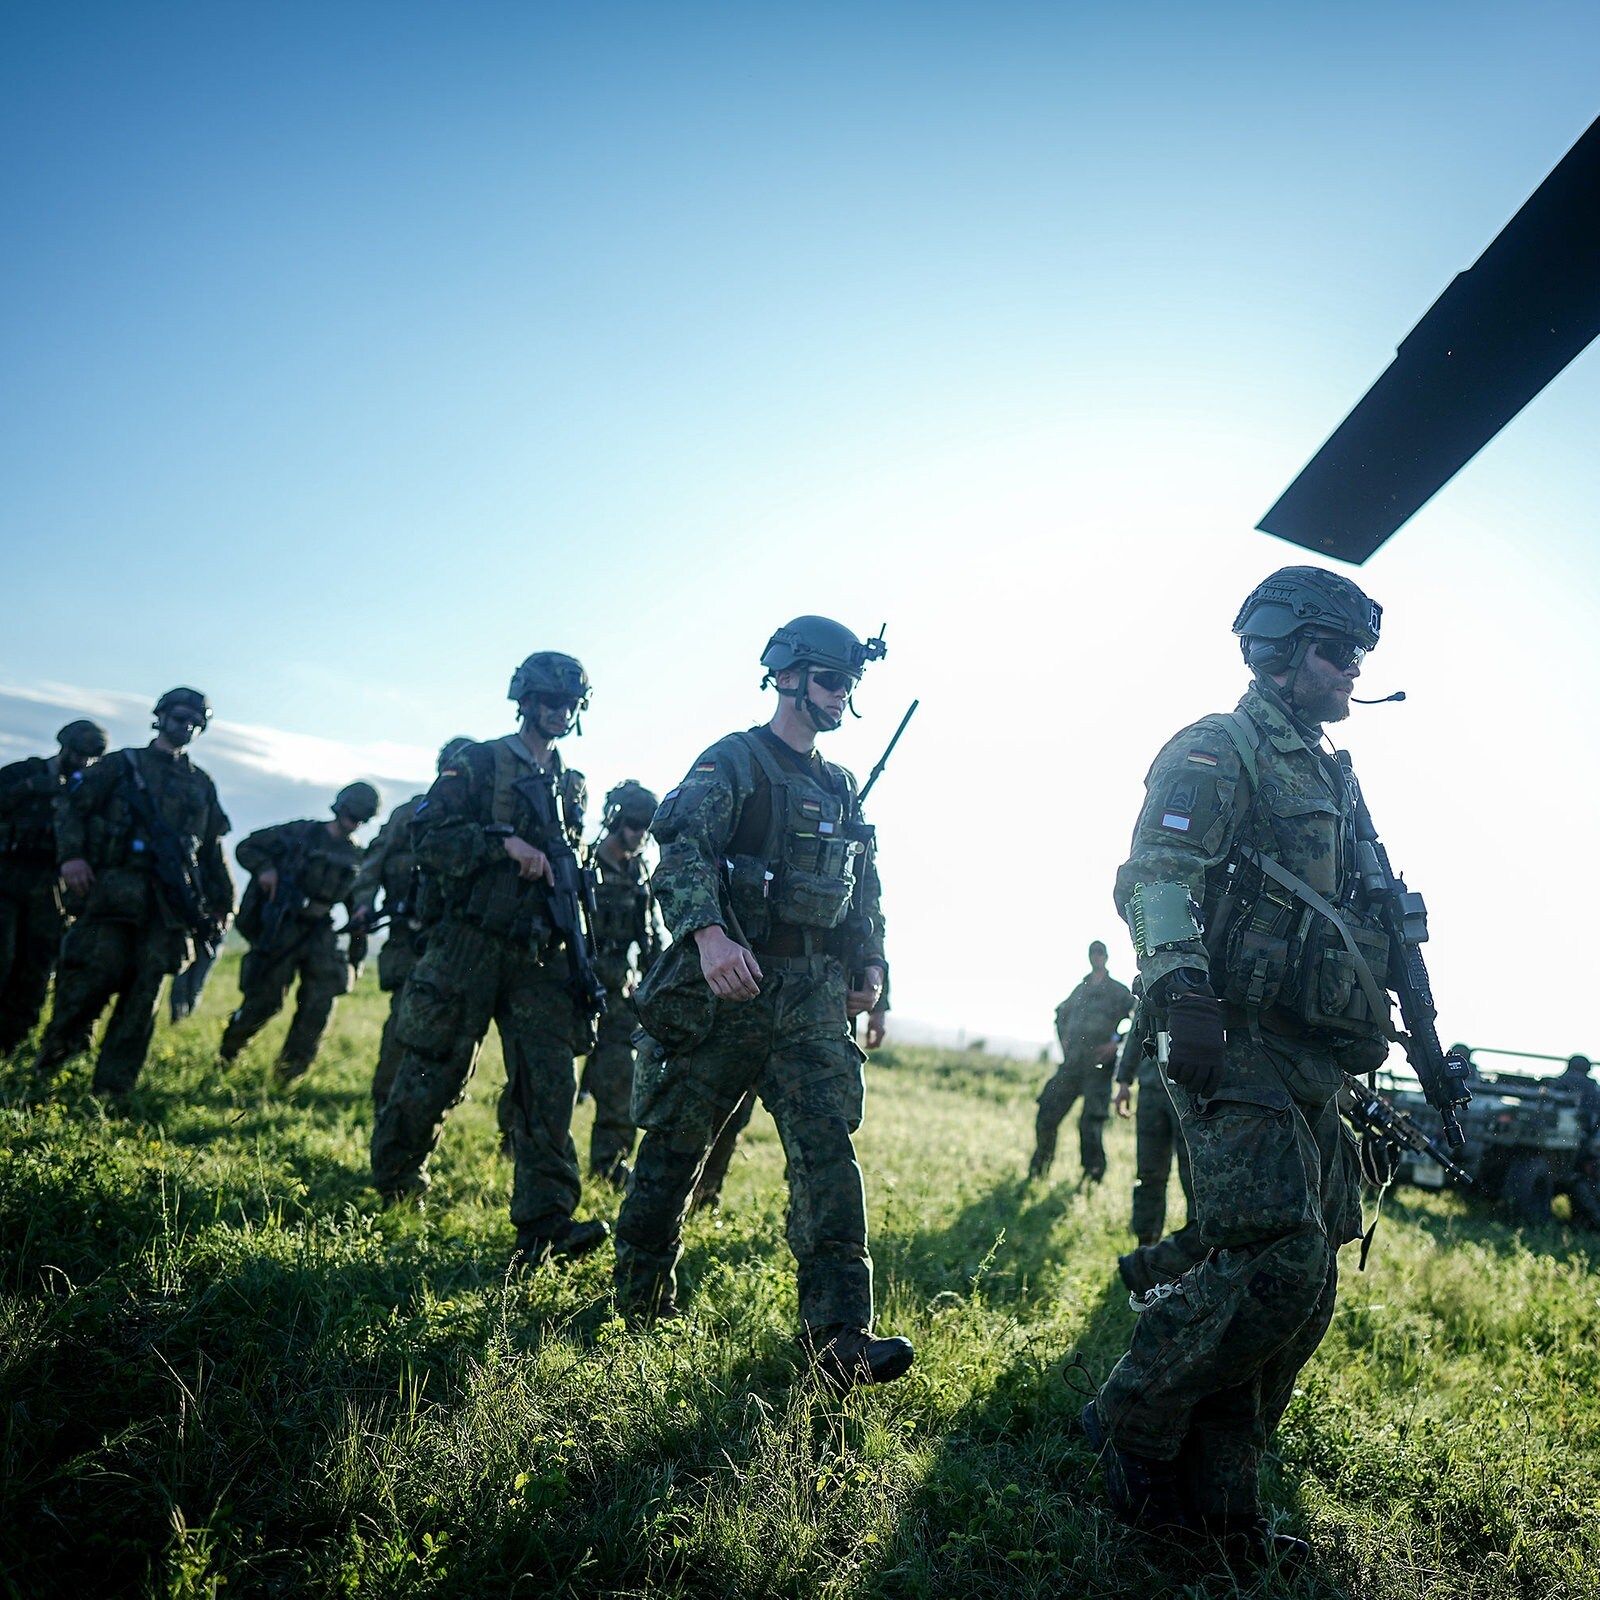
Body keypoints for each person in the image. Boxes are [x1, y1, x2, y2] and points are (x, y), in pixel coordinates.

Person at [1080, 566, 1400, 1565]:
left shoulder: (1330, 772)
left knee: (1309, 1287)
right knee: (1278, 1253)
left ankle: (1222, 1501)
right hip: (1231, 1033)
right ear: (1278, 650)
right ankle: (1130, 1424)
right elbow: (1154, 876)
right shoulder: (1218, 747)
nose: (1352, 671)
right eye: (1334, 651)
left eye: (1359, 655)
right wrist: (1181, 995)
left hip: (1312, 1051)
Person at [614, 615, 912, 1389]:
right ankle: (639, 1306)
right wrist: (710, 938)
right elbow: (681, 852)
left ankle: (841, 1337)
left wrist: (870, 967)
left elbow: (863, 891)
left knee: (827, 1159)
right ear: (788, 677)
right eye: (831, 679)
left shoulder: (841, 786)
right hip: (728, 992)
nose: (843, 695)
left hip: (812, 1002)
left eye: (849, 682)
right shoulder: (734, 762)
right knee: (675, 1151)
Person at [369, 652, 607, 1268]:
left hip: (540, 954)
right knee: (432, 1071)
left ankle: (547, 1225)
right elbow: (427, 837)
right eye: (547, 698)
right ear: (523, 699)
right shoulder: (478, 760)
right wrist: (502, 845)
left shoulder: (574, 784)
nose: (558, 711)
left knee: (548, 1089)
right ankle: (397, 1185)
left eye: (568, 702)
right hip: (469, 943)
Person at [37, 689, 234, 1099]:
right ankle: (51, 1069)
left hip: (166, 910)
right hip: (111, 895)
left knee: (143, 1002)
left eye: (197, 722)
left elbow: (212, 849)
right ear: (160, 717)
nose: (187, 727)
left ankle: (112, 1091)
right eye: (180, 718)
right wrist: (72, 858)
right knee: (87, 983)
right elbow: (72, 808)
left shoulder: (201, 784)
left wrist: (222, 905)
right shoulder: (123, 766)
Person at [218, 782, 380, 1082]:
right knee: (265, 1001)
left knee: (319, 1003)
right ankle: (229, 1051)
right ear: (340, 808)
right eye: (351, 815)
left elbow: (357, 898)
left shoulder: (356, 855)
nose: (353, 823)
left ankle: (288, 1074)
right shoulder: (301, 833)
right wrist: (265, 869)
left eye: (361, 819)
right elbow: (247, 847)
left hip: (319, 930)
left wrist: (359, 913)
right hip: (284, 926)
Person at [351, 737, 474, 1110]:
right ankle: (386, 1101)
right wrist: (361, 906)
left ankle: (421, 1104)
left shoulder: (480, 819)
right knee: (404, 1016)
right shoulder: (411, 813)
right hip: (408, 934)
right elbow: (375, 860)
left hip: (456, 939)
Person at [0, 720, 109, 1052]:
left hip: (50, 886)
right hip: (5, 876)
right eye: (78, 754)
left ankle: (9, 1043)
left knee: (36, 964)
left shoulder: (89, 792)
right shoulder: (24, 773)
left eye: (90, 758)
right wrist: (33, 787)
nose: (82, 763)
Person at [581, 778, 667, 1187]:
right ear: (615, 819)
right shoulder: (583, 865)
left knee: (620, 1079)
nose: (639, 834)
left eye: (646, 826)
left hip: (616, 991)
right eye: (633, 823)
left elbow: (650, 937)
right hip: (572, 984)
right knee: (551, 1078)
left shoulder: (640, 874)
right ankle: (516, 1143)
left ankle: (609, 1167)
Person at [1112, 999, 1202, 1294]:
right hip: (1152, 1091)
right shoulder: (1154, 981)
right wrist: (1124, 1081)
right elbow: (1138, 1032)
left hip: (1191, 1091)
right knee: (1149, 1174)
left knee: (1196, 1180)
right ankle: (1146, 1250)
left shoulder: (1201, 973)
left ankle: (1198, 1260)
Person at [1030, 941, 1134, 1180]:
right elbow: (1060, 1015)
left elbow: (1137, 1018)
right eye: (1092, 953)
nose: (1096, 957)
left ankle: (1093, 1175)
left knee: (1090, 1124)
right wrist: (1064, 1041)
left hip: (1099, 1067)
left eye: (1100, 953)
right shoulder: (1081, 989)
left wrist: (1116, 1042)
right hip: (1073, 1065)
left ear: (1106, 957)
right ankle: (1039, 1168)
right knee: (1047, 1112)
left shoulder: (1117, 991)